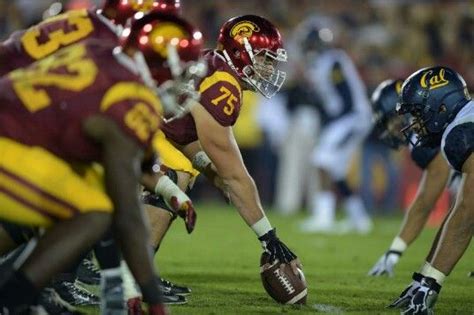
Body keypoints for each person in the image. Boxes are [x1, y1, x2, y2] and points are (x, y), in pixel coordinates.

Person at [0, 11, 204, 314]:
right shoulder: (132, 99)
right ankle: (14, 299)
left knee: (78, 192)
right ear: (161, 64)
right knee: (94, 210)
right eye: (182, 71)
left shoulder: (98, 52)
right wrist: (153, 298)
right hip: (11, 145)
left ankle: (19, 294)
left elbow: (137, 167)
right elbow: (126, 213)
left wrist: (173, 194)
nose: (184, 84)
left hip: (18, 137)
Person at [143, 15, 302, 293]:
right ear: (242, 53)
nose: (269, 68)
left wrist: (208, 170)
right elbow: (235, 177)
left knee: (183, 168)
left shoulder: (210, 65)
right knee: (174, 174)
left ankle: (130, 269)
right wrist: (269, 237)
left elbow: (177, 133)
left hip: (136, 125)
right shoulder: (222, 86)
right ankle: (135, 274)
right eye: (265, 59)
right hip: (124, 129)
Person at [390, 66, 472, 314]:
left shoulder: (461, 134)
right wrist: (424, 277)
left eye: (417, 113)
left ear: (440, 106)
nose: (414, 124)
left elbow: (467, 212)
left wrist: (431, 285)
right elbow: (459, 211)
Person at [367, 79, 459, 277]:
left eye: (387, 121)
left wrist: (394, 252)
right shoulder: (437, 117)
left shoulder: (425, 134)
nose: (388, 130)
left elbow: (425, 202)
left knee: (462, 205)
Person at [295, 16, 373, 234]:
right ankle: (360, 220)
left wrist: (333, 123)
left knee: (321, 161)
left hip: (352, 117)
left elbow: (346, 98)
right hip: (347, 118)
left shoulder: (334, 61)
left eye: (311, 44)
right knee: (336, 170)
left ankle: (324, 217)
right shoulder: (321, 64)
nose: (309, 48)